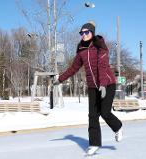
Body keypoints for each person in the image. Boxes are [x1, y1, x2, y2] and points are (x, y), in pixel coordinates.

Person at [53, 22, 123, 156]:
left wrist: (102, 84)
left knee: (105, 112)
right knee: (92, 116)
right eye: (82, 33)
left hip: (107, 84)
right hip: (92, 87)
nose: (84, 35)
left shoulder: (99, 46)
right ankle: (94, 144)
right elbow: (73, 68)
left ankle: (118, 127)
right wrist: (60, 79)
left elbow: (102, 67)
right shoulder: (81, 50)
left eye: (87, 32)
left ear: (92, 32)